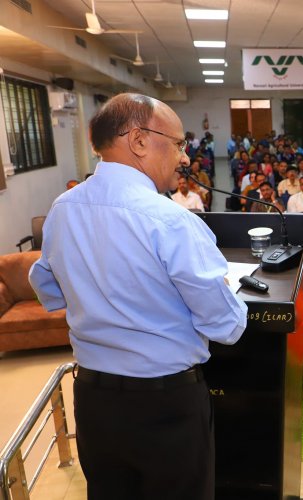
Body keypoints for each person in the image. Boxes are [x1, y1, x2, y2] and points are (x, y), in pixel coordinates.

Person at [29, 93, 247, 500]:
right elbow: (227, 327)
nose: (185, 158)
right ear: (140, 141)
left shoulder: (62, 209)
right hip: (166, 406)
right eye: (180, 144)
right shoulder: (171, 221)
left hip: (95, 401)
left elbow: (49, 290)